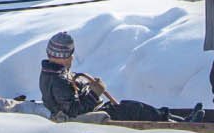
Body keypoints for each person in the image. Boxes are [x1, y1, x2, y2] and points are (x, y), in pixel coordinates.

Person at [36, 32, 179, 123]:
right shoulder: (59, 80)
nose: (72, 58)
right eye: (70, 54)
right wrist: (94, 93)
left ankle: (170, 118)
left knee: (131, 107)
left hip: (93, 109)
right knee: (133, 109)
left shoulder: (53, 74)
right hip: (89, 115)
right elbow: (74, 110)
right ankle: (173, 122)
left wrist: (86, 86)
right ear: (66, 56)